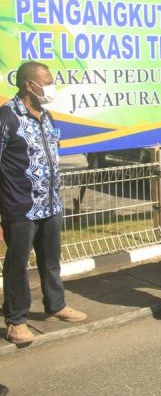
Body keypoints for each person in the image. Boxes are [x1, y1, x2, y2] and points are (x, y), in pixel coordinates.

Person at [0, 61, 86, 345]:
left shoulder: (46, 115)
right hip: (20, 206)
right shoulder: (7, 117)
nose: (50, 87)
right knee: (17, 265)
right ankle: (16, 321)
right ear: (29, 85)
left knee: (51, 261)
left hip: (50, 205)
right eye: (46, 82)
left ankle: (56, 305)